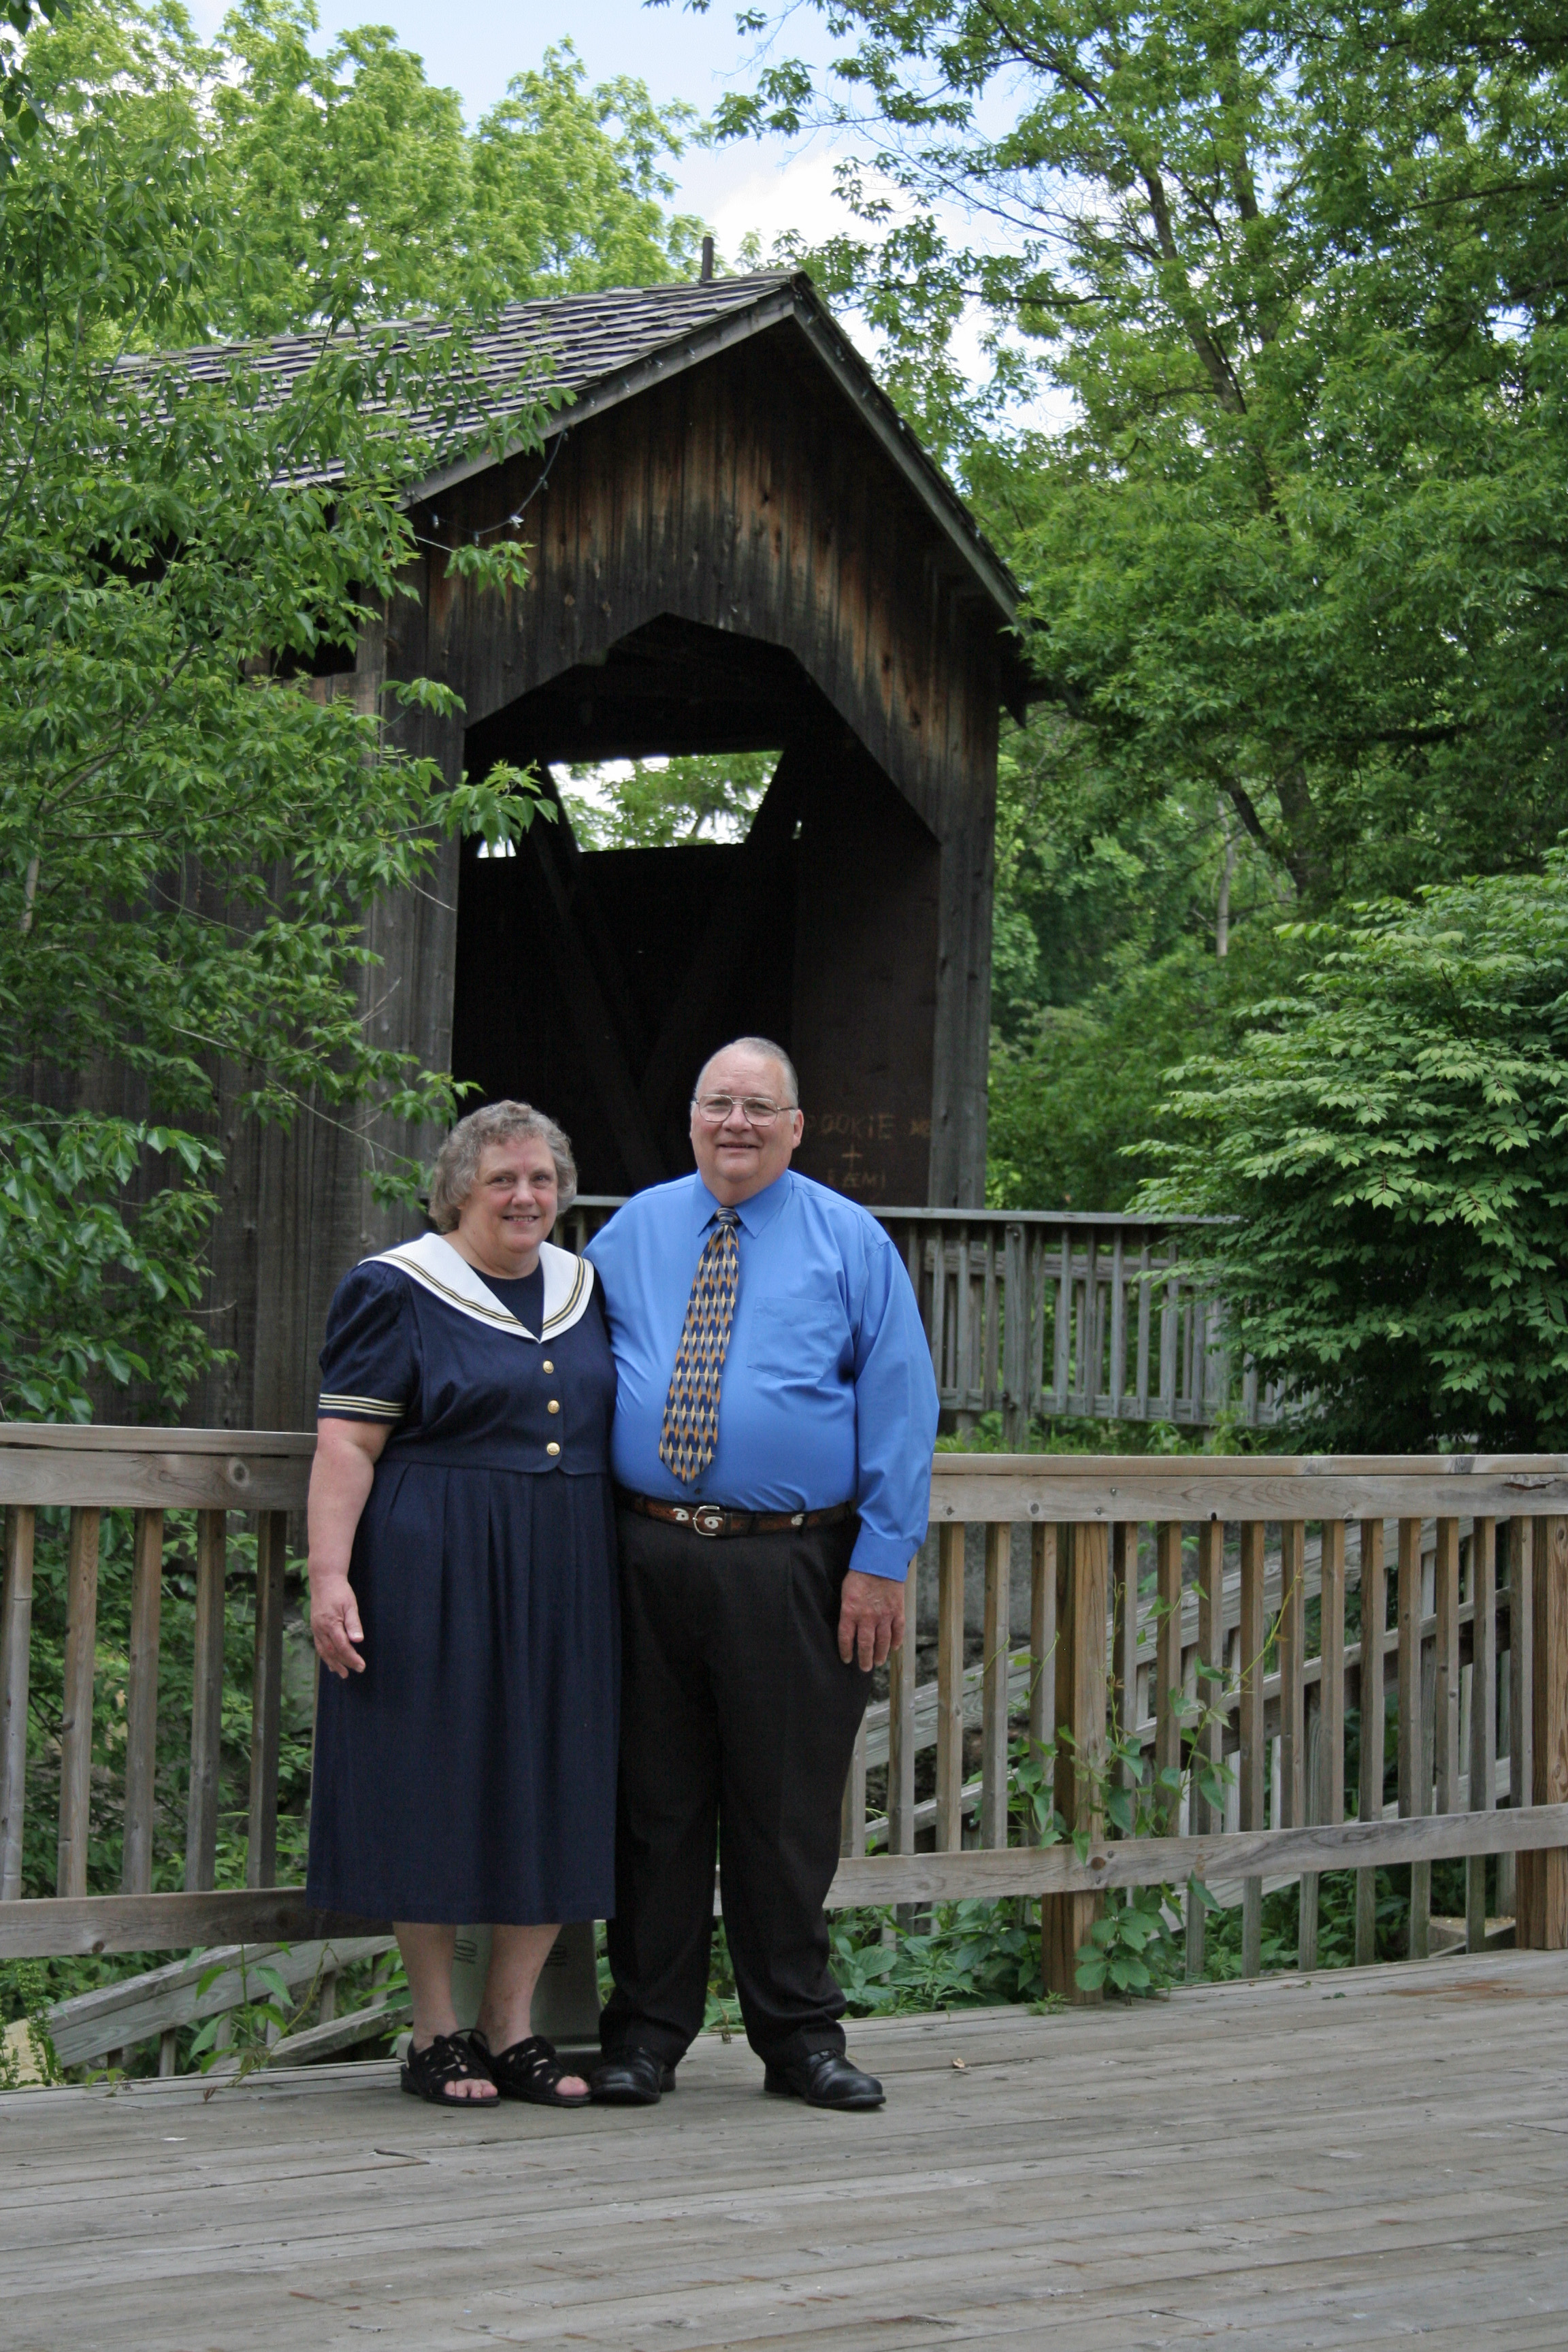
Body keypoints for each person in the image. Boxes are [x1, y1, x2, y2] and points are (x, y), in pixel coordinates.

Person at [583, 1036, 939, 2112]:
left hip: (792, 1562)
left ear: (795, 1127)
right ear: (692, 1118)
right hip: (645, 1555)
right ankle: (645, 2036)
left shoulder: (851, 1240)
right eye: (718, 1104)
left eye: (758, 1107)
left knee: (783, 1814)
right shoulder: (631, 1232)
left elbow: (902, 1404)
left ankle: (798, 2039)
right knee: (653, 1807)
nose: (735, 1123)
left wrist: (881, 1561)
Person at [306, 1100, 619, 2108]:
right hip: (431, 1566)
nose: (526, 1197)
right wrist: (330, 1576)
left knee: (556, 1776)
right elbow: (347, 1444)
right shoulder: (395, 1286)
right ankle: (435, 2032)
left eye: (541, 1179)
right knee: (432, 1781)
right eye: (502, 1180)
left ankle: (511, 2027)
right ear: (457, 1192)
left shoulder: (584, 1285)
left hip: (567, 1567)